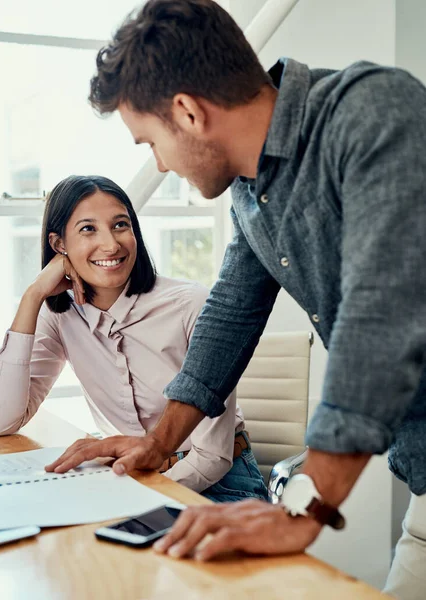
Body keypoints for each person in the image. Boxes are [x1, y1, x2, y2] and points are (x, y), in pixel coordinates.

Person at [45, 1, 426, 596]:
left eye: (149, 143)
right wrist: (159, 441)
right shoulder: (251, 193)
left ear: (189, 112)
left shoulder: (373, 112)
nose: (161, 165)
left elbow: (382, 317)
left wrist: (304, 509)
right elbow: (231, 311)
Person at [0, 173, 267, 503]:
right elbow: (1, 421)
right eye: (88, 229)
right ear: (60, 245)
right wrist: (33, 296)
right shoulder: (60, 315)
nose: (111, 244)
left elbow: (212, 458)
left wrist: (136, 500)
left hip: (220, 481)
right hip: (131, 476)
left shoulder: (192, 305)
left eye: (120, 225)